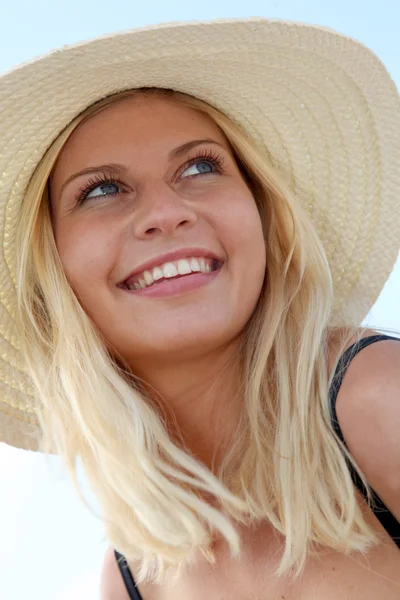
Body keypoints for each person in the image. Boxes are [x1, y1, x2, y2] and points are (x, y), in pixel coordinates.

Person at [0, 16, 399, 600]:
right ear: (52, 276)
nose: (167, 211)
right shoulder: (133, 579)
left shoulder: (375, 400)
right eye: (101, 190)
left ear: (263, 217)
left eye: (200, 167)